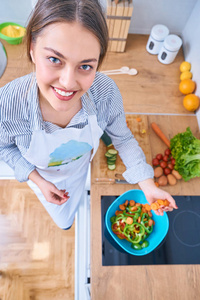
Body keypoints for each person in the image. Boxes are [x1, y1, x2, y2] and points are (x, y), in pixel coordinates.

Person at [0, 0, 177, 230]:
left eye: (85, 66)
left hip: (80, 168)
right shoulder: (7, 105)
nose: (68, 82)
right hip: (40, 176)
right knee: (64, 221)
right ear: (32, 48)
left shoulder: (105, 92)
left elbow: (122, 138)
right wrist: (39, 181)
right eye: (55, 59)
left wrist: (147, 184)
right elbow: (4, 148)